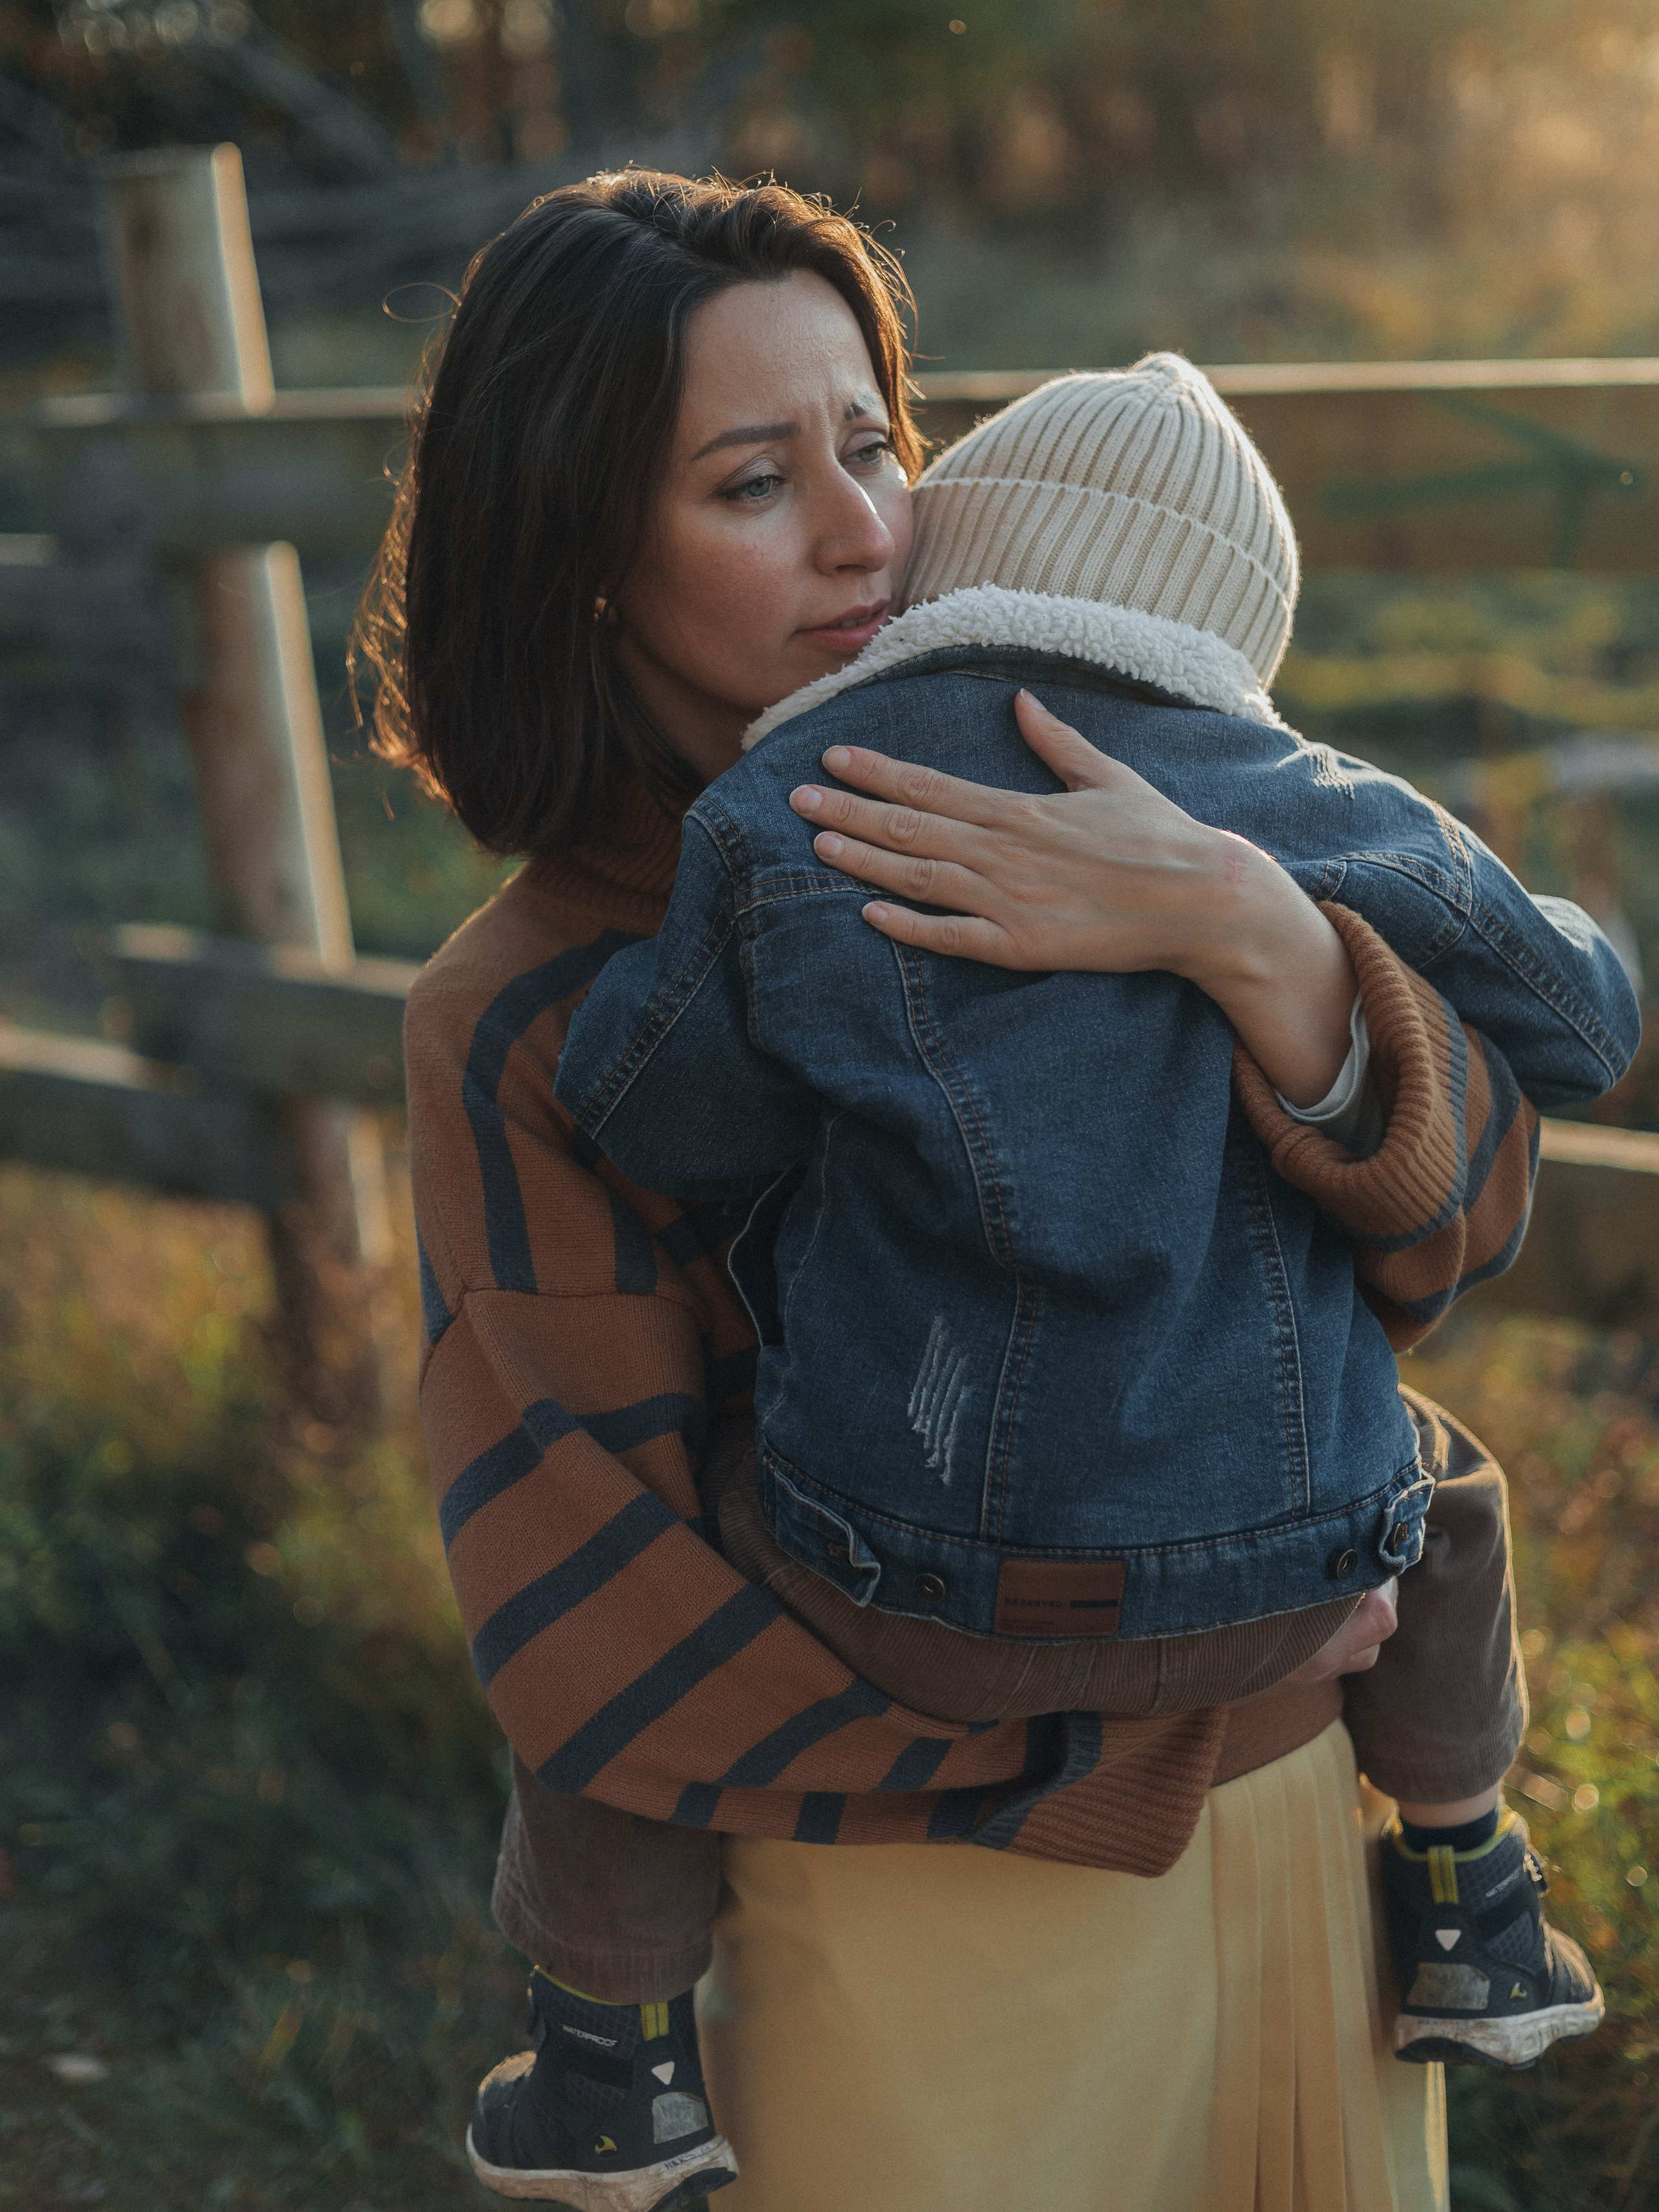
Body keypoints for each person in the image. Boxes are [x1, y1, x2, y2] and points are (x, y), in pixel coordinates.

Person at [358, 169, 1559, 2212]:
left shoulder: (1137, 813)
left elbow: (1449, 1245)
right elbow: (604, 1617)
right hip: (917, 1916)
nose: (865, 532)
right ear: (583, 561)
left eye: (873, 442)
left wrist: (1262, 946)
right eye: (752, 484)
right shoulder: (537, 1011)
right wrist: (1180, 1694)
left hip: (1299, 1856)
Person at [553, 350, 1634, 2139]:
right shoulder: (1312, 805)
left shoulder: (790, 808)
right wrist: (1295, 908)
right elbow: (1580, 1023)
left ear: (948, 546)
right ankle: (1472, 1900)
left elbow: (658, 1121)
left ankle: (615, 2053)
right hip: (1293, 1582)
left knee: (608, 1637)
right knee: (1441, 1494)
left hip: (901, 1583)